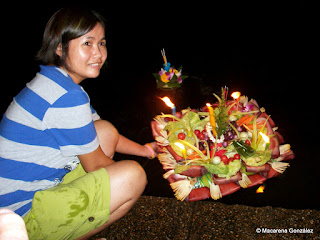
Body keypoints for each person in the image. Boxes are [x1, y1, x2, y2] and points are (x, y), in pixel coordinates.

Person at [0, 8, 157, 240]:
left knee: (102, 130)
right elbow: (97, 165)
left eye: (102, 43)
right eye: (87, 43)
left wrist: (147, 151)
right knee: (133, 176)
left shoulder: (54, 82)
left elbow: (104, 133)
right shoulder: (65, 96)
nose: (98, 53)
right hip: (19, 217)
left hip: (22, 195)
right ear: (60, 48)